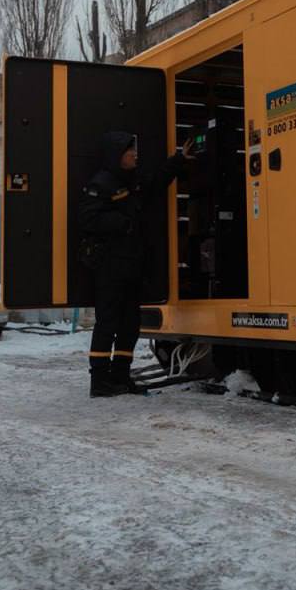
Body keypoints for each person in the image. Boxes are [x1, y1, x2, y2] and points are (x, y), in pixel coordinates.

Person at [78, 130, 193, 397]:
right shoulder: (100, 184)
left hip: (131, 265)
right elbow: (88, 219)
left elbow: (156, 181)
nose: (135, 154)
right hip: (109, 266)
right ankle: (99, 381)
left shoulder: (133, 180)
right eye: (131, 151)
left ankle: (120, 376)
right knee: (107, 323)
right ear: (118, 155)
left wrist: (178, 159)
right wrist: (124, 223)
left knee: (130, 324)